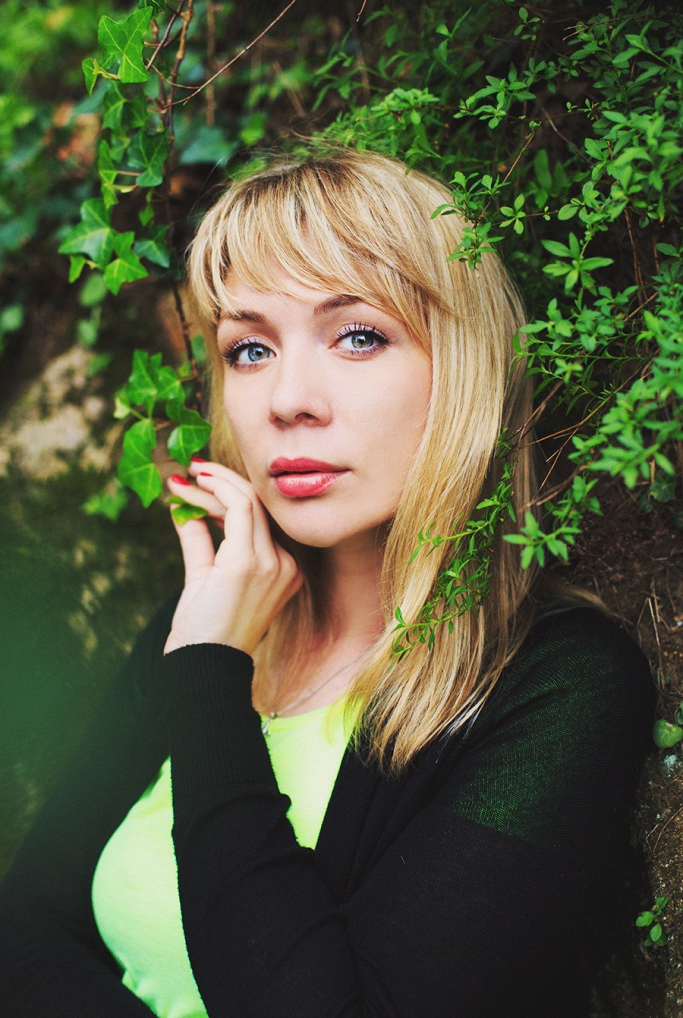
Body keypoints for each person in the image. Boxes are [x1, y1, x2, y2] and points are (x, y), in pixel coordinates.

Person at [0, 151, 654, 1018]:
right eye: (249, 349)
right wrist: (210, 657)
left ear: (464, 367)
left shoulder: (559, 686)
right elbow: (25, 930)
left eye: (357, 336)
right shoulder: (208, 624)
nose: (287, 400)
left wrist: (207, 683)